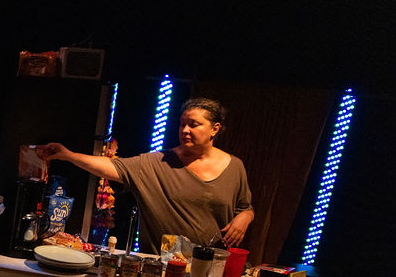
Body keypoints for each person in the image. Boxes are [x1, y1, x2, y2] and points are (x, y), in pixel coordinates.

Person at [37, 98, 254, 254]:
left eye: (194, 125)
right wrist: (68, 155)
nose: (185, 130)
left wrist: (245, 217)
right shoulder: (157, 163)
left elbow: (245, 207)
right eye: (182, 124)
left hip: (212, 266)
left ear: (215, 129)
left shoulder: (234, 167)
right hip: (163, 269)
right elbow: (111, 166)